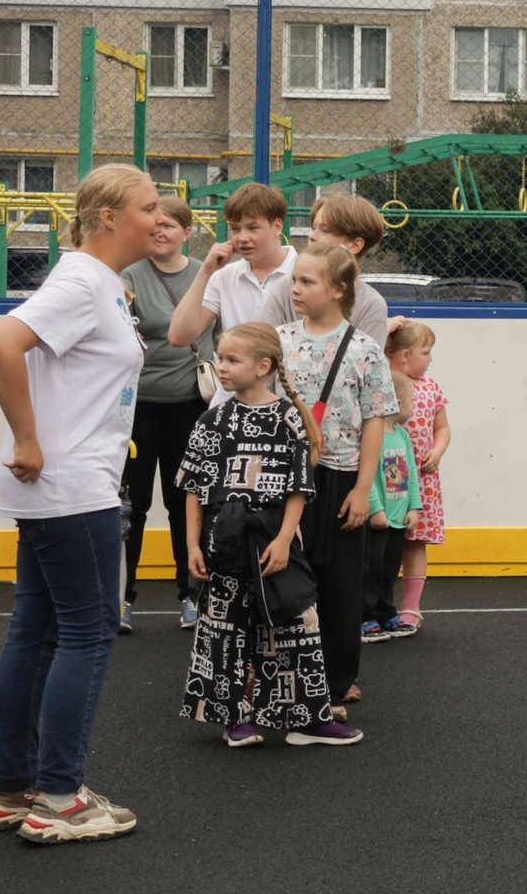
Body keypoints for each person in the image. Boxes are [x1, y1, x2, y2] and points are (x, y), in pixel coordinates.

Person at [0, 164, 159, 844]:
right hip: (70, 485)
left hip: (65, 484)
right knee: (87, 631)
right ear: (108, 216)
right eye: (148, 207)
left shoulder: (100, 284)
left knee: (37, 629)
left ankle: (13, 790)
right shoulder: (83, 280)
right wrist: (27, 436)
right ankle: (59, 796)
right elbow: (2, 341)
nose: (160, 219)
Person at [178, 322, 358, 747]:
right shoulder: (212, 420)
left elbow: (299, 488)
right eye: (219, 358)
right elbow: (194, 490)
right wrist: (191, 546)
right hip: (225, 540)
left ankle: (307, 719)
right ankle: (235, 718)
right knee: (225, 627)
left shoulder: (288, 419)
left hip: (276, 537)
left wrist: (283, 540)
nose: (220, 367)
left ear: (263, 366)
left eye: (231, 360)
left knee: (298, 621)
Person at [282, 240, 401, 712]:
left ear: (338, 290)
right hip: (288, 481)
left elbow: (376, 420)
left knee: (341, 584)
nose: (295, 289)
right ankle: (286, 675)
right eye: (294, 280)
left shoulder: (367, 349)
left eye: (307, 282)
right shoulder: (281, 340)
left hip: (341, 478)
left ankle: (336, 680)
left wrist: (361, 489)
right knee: (288, 579)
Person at [121, 195, 215, 632]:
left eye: (170, 226)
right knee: (131, 506)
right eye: (154, 225)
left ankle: (190, 596)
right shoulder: (129, 275)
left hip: (191, 407)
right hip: (138, 409)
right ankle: (122, 598)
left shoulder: (208, 276)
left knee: (185, 505)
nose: (160, 232)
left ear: (187, 232)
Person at [382, 319, 450, 637]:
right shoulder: (382, 382)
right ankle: (375, 606)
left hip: (420, 482)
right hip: (384, 485)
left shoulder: (431, 388)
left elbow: (442, 428)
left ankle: (411, 607)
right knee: (381, 546)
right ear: (405, 356)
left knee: (415, 541)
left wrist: (437, 451)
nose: (430, 358)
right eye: (426, 352)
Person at [168, 182, 295, 348]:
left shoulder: (304, 272)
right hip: (240, 374)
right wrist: (205, 272)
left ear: (277, 227)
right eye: (235, 229)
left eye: (252, 228)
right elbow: (179, 337)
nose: (242, 238)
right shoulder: (224, 276)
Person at [259, 192, 392, 346]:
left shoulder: (371, 304)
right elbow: (260, 344)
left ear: (355, 245)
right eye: (314, 227)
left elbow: (367, 365)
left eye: (325, 230)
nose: (312, 236)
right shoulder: (287, 286)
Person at [358, 367, 422, 642]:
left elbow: (411, 474)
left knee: (390, 568)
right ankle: (364, 616)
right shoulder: (372, 435)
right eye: (411, 402)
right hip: (379, 518)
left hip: (398, 517)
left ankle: (385, 612)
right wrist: (375, 509)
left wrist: (414, 507)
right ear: (394, 402)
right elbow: (367, 475)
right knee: (371, 568)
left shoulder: (402, 435)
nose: (413, 408)